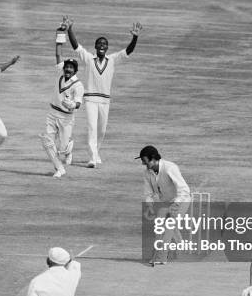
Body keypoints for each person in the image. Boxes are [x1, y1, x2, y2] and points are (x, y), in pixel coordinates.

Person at [65, 16, 142, 168]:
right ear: (95, 46)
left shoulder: (112, 60)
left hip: (105, 100)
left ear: (107, 48)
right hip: (90, 100)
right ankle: (92, 158)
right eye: (99, 43)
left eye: (104, 44)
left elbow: (128, 51)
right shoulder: (88, 59)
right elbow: (76, 46)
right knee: (92, 128)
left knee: (102, 130)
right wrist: (70, 29)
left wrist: (135, 37)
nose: (102, 45)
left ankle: (96, 152)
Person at [39, 25, 84, 178]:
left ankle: (68, 148)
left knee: (62, 150)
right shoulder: (60, 71)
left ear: (75, 71)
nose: (68, 69)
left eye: (71, 68)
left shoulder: (78, 85)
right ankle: (59, 168)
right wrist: (60, 31)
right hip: (52, 113)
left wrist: (73, 105)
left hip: (66, 118)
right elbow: (58, 53)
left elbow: (78, 103)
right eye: (67, 67)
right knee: (47, 142)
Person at [136, 145, 191, 266]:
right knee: (159, 225)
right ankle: (182, 248)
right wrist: (149, 207)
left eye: (145, 161)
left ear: (154, 158)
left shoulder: (170, 168)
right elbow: (148, 193)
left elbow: (184, 189)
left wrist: (176, 204)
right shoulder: (147, 172)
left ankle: (161, 256)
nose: (143, 164)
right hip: (165, 202)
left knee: (169, 226)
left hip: (182, 200)